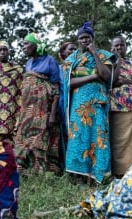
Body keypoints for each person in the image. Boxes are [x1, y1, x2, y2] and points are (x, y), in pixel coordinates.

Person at [62, 21, 114, 183]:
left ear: (92, 38)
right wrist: (92, 77)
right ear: (78, 40)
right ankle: (78, 176)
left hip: (98, 103)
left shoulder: (104, 55)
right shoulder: (71, 59)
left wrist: (94, 54)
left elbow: (105, 76)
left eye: (87, 38)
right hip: (79, 105)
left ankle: (98, 175)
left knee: (98, 136)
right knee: (78, 137)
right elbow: (68, 84)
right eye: (82, 38)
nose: (85, 41)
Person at [14, 33, 62, 175]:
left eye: (26, 44)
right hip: (28, 109)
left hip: (43, 109)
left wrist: (53, 113)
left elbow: (56, 88)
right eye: (23, 44)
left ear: (36, 45)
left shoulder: (49, 60)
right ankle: (24, 169)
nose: (23, 47)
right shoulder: (28, 63)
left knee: (40, 136)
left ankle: (41, 171)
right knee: (24, 136)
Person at [109, 36, 132, 178]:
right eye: (116, 45)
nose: (119, 48)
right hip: (115, 107)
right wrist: (118, 61)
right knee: (117, 140)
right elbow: (111, 81)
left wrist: (125, 81)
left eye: (122, 45)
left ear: (126, 47)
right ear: (111, 48)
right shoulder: (108, 62)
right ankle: (118, 172)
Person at [58, 41, 77, 170]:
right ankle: (65, 167)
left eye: (75, 49)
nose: (73, 51)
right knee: (64, 134)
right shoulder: (59, 68)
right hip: (63, 104)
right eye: (70, 49)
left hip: (77, 103)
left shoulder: (80, 67)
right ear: (63, 53)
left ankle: (75, 167)